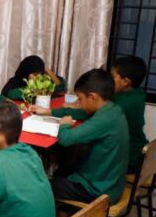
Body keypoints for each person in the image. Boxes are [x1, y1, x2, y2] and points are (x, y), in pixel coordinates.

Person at [36, 57, 148, 172]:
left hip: (129, 157)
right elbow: (85, 112)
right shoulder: (130, 96)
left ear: (126, 82)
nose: (109, 80)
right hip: (124, 154)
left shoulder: (119, 107)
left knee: (72, 152)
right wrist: (51, 111)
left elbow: (68, 136)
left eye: (113, 76)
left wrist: (64, 121)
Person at [39, 69, 130, 205]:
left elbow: (65, 138)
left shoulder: (104, 120)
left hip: (99, 191)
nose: (78, 103)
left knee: (42, 187)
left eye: (80, 99)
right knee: (63, 167)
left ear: (93, 97)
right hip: (111, 183)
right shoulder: (113, 110)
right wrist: (50, 112)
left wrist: (64, 125)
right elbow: (81, 113)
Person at [1, 55, 67, 100]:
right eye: (35, 74)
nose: (38, 77)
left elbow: (61, 88)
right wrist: (35, 89)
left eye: (40, 73)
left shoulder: (42, 82)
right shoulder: (15, 82)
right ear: (26, 72)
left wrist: (48, 71)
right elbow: (10, 94)